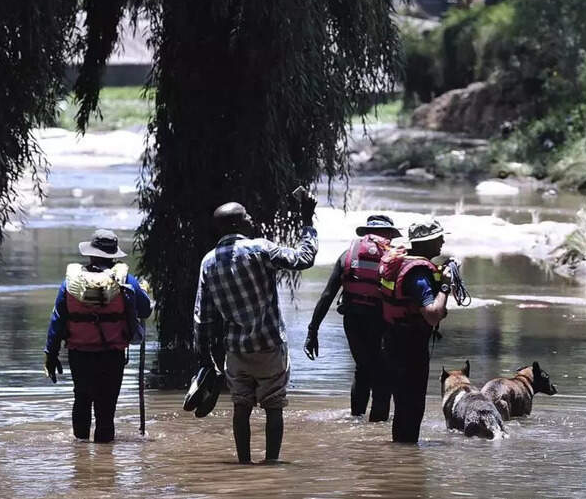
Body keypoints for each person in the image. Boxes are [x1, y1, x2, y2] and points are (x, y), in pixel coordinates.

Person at [193, 199, 318, 464]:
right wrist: (307, 222)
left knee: (241, 405)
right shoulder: (260, 248)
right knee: (273, 406)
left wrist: (205, 359)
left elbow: (202, 317)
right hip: (269, 345)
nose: (252, 218)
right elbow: (304, 259)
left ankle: (244, 464)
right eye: (247, 215)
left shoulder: (208, 262)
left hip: (236, 349)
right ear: (237, 223)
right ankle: (272, 464)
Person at [44, 229, 152, 443]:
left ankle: (79, 452)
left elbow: (57, 320)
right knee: (106, 408)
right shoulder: (125, 281)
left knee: (81, 399)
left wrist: (51, 354)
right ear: (113, 255)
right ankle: (105, 462)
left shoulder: (71, 283)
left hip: (79, 354)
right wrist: (143, 290)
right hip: (112, 355)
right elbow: (145, 310)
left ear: (90, 254)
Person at [305, 214, 401, 421]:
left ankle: (356, 420)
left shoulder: (347, 255)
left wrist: (312, 331)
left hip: (354, 321)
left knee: (362, 368)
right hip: (381, 322)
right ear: (388, 235)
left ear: (366, 234)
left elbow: (327, 295)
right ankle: (376, 430)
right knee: (382, 375)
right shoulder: (395, 259)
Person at [377, 218, 455, 443]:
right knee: (412, 406)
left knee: (403, 406)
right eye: (438, 237)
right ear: (426, 242)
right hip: (409, 348)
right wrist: (445, 285)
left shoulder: (401, 261)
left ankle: (399, 456)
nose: (442, 241)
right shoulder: (419, 274)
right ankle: (406, 460)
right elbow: (432, 315)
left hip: (392, 341)